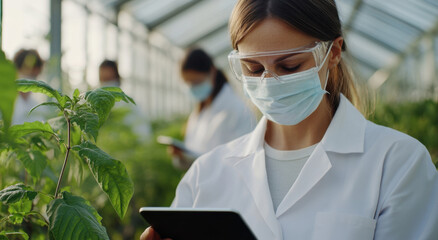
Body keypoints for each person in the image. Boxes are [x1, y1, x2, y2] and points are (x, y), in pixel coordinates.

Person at [141, 0, 438, 239]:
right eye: (254, 69)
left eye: (290, 66)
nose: (270, 82)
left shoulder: (397, 164)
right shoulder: (206, 175)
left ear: (333, 53)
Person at [169, 48, 256, 170]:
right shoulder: (200, 111)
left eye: (196, 82)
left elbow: (242, 160)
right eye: (188, 83)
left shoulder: (237, 110)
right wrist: (181, 157)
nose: (192, 88)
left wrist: (200, 162)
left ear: (212, 72)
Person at [99, 60, 151, 141]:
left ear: (116, 75)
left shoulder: (125, 101)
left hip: (126, 145)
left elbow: (141, 129)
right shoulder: (97, 102)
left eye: (108, 78)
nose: (106, 80)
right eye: (103, 78)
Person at [12, 49, 47, 125]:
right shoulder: (5, 102)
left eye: (34, 76)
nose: (31, 81)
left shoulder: (38, 107)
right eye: (29, 74)